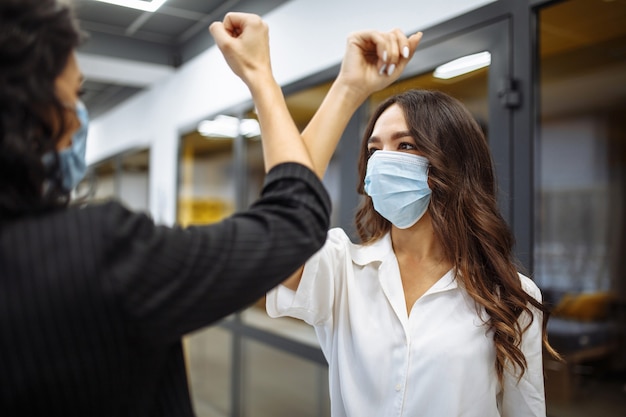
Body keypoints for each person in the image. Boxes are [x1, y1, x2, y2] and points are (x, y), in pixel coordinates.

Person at [0, 1, 331, 415]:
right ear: (34, 111)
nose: (78, 119)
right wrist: (260, 75)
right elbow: (293, 219)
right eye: (75, 95)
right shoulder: (97, 252)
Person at [265, 25, 559, 417]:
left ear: (451, 163)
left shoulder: (509, 295)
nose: (383, 160)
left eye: (405, 146)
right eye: (375, 149)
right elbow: (274, 230)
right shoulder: (342, 269)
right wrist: (347, 89)